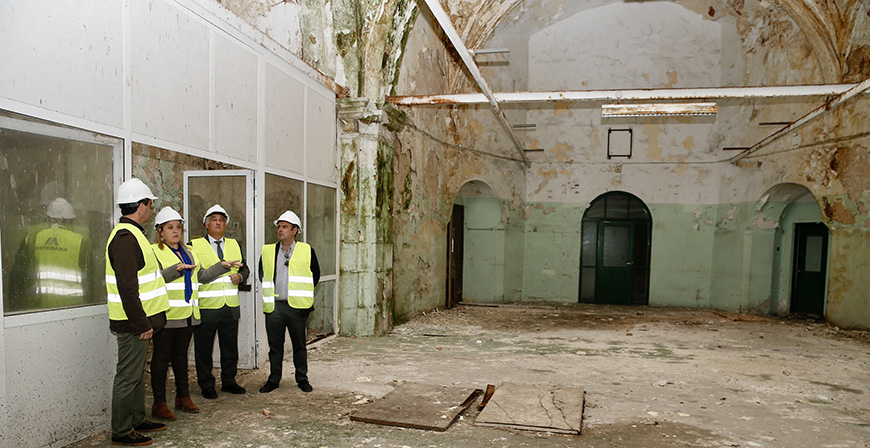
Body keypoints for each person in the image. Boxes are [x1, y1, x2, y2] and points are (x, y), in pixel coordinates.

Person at [150, 207, 241, 420]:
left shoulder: (187, 252)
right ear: (160, 231)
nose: (175, 231)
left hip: (188, 314)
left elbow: (201, 276)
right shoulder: (154, 251)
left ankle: (183, 397)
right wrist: (175, 270)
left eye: (178, 227)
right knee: (162, 359)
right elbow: (151, 280)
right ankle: (159, 403)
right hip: (166, 315)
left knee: (181, 358)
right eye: (170, 228)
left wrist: (221, 267)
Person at [105, 178, 169, 446]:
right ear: (141, 205)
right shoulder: (125, 239)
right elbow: (127, 288)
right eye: (150, 203)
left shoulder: (132, 235)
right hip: (133, 324)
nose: (151, 208)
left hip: (140, 322)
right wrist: (141, 323)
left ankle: (137, 418)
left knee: (135, 373)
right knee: (128, 376)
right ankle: (121, 430)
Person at [189, 204, 250, 398]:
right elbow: (198, 276)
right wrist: (221, 267)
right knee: (204, 350)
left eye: (221, 220)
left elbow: (245, 268)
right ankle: (207, 385)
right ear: (206, 224)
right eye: (214, 220)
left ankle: (229, 381)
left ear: (226, 225)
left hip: (229, 307)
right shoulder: (195, 246)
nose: (218, 223)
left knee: (229, 348)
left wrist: (240, 277)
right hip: (207, 307)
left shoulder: (234, 244)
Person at [257, 211, 320, 394]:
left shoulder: (307, 250)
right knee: (275, 347)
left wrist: (300, 295)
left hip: (297, 308)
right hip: (275, 307)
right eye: (279, 226)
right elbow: (263, 274)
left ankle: (302, 379)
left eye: (285, 227)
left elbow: (315, 275)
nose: (280, 230)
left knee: (299, 345)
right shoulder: (268, 250)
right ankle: (273, 379)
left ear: (295, 230)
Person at [10, 198, 93, 312]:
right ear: (71, 220)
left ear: (48, 219)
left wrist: (16, 307)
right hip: (74, 308)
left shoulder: (31, 239)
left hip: (37, 309)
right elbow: (89, 281)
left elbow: (17, 278)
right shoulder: (81, 243)